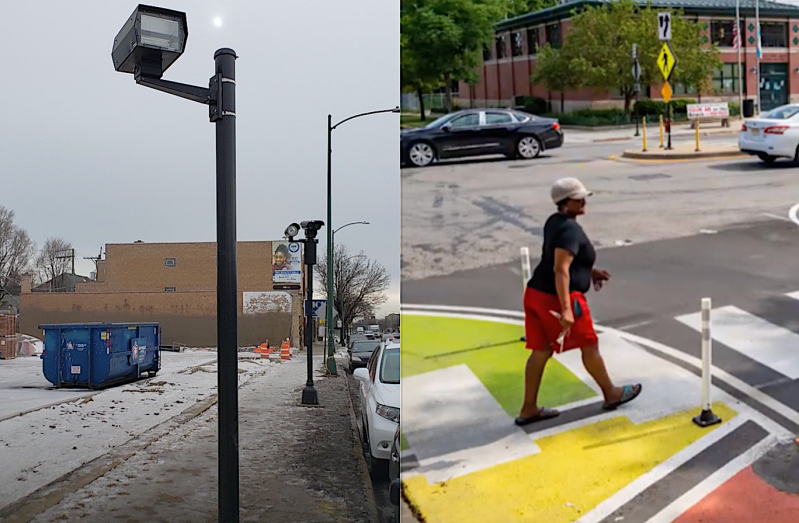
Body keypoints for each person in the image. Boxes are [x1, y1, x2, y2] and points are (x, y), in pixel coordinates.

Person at [515, 177, 642, 426]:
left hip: (535, 294)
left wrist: (589, 271)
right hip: (558, 297)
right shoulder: (569, 229)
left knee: (540, 351)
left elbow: (559, 259)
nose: (584, 201)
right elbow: (560, 269)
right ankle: (611, 393)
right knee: (589, 344)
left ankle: (529, 408)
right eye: (578, 198)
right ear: (564, 203)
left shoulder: (555, 222)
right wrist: (565, 309)